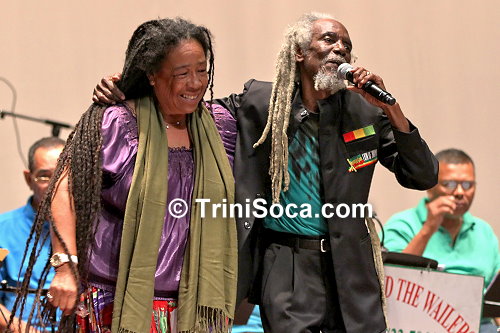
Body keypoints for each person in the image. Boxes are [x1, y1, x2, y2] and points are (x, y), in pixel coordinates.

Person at [94, 12, 438, 333]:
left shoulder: (366, 112)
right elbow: (188, 102)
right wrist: (126, 88)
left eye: (346, 45)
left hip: (350, 266)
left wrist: (393, 110)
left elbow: (422, 176)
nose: (340, 49)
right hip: (286, 263)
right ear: (300, 52)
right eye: (329, 40)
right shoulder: (259, 102)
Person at [12, 18, 238, 333]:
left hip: (196, 301)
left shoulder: (220, 125)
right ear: (152, 76)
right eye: (182, 73)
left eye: (202, 70)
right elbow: (63, 187)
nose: (196, 82)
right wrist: (65, 266)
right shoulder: (116, 123)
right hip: (116, 298)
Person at [382, 148, 500, 333]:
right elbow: (394, 283)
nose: (460, 192)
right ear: (430, 187)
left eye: (468, 185)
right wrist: (428, 228)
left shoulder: (483, 231)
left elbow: (495, 296)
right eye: (450, 184)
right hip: (420, 322)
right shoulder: (402, 224)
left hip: (477, 324)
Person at [0, 137, 64, 332]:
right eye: (45, 176)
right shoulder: (3, 228)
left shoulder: (95, 228)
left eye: (63, 174)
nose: (55, 184)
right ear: (29, 179)